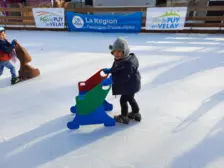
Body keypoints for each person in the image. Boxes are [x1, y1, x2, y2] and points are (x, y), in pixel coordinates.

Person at [101, 37, 141, 124]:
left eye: (119, 51)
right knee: (130, 99)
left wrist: (111, 79)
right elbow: (117, 68)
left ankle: (124, 117)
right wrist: (110, 70)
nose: (116, 54)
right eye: (114, 51)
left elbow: (124, 77)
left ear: (124, 51)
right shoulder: (121, 59)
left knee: (123, 100)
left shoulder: (128, 63)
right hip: (130, 85)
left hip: (131, 85)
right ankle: (136, 113)